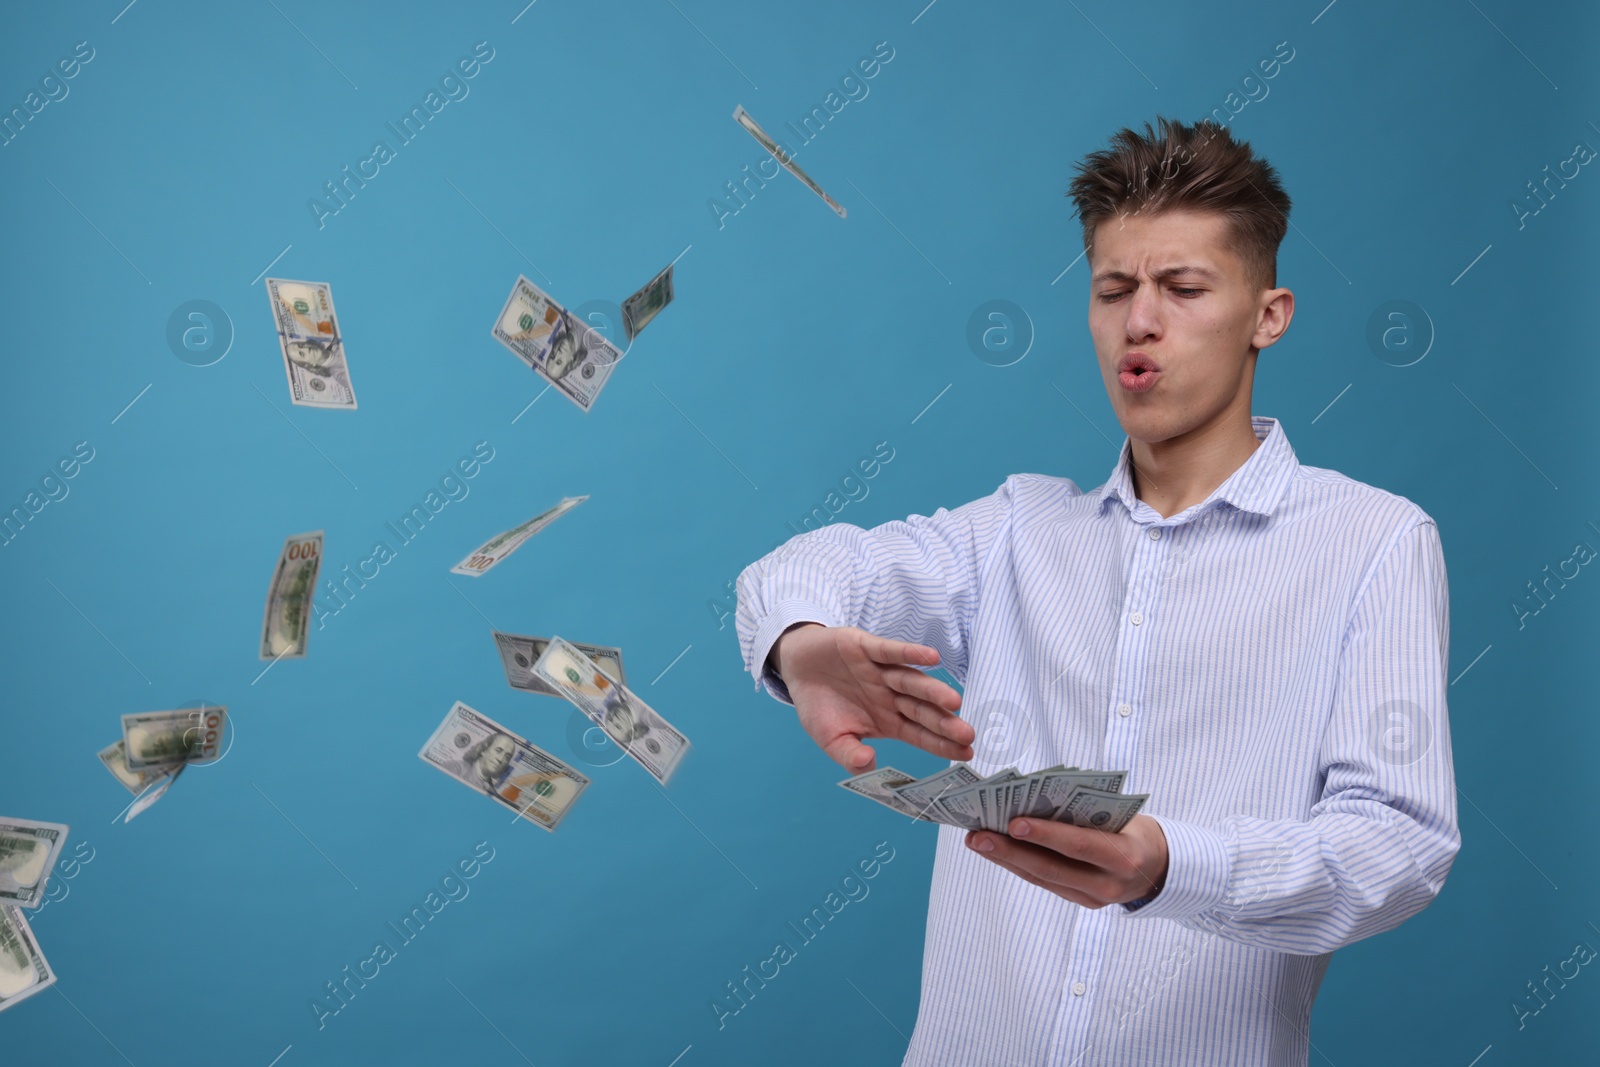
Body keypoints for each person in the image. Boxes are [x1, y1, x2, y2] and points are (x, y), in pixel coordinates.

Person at [735, 116, 1458, 1066]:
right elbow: (799, 570)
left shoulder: (1375, 541)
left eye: (1183, 288)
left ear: (1268, 315)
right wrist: (798, 641)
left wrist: (1172, 866)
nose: (1140, 321)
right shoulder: (1015, 531)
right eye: (1113, 289)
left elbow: (1396, 845)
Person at [446, 732, 516, 796]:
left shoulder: (492, 792)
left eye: (507, 757)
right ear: (484, 750)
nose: (500, 759)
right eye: (498, 751)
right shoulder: (456, 768)